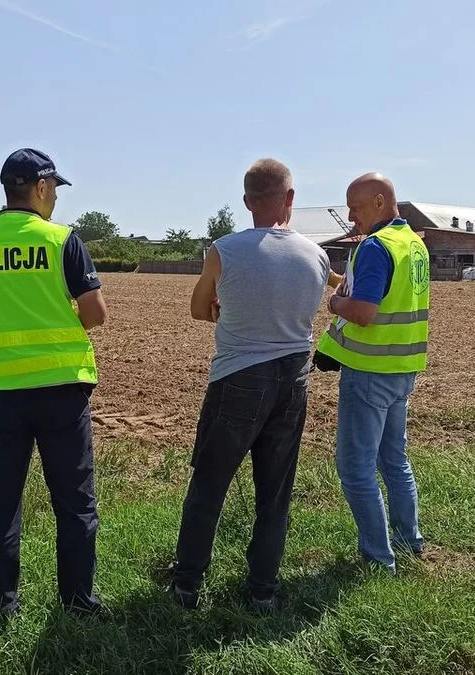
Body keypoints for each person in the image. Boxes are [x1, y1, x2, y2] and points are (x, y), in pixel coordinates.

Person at [0, 147, 108, 616]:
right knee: (74, 503)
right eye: (54, 189)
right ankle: (77, 603)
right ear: (42, 188)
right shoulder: (61, 240)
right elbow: (95, 314)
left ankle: (2, 605)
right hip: (61, 391)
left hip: (2, 395)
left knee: (1, 502)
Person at [169, 158, 330, 612]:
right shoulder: (315, 254)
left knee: (210, 484)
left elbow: (201, 310)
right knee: (275, 491)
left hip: (239, 379)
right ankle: (264, 590)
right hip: (294, 379)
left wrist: (225, 306)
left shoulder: (224, 250)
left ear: (246, 202)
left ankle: (187, 584)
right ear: (290, 199)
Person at [315, 172, 430, 573]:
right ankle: (408, 540)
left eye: (357, 207)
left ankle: (379, 560)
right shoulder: (414, 245)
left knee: (355, 467)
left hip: (370, 371)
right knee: (394, 459)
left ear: (380, 202)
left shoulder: (375, 247)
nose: (351, 217)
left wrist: (334, 304)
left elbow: (364, 312)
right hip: (404, 369)